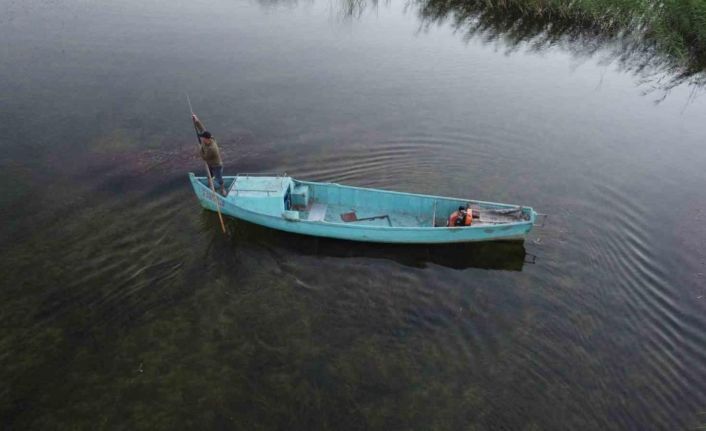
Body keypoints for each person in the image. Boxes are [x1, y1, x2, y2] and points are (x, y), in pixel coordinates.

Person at [192, 114, 225, 195]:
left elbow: (205, 157)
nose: (201, 138)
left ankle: (223, 189)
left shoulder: (212, 148)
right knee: (209, 175)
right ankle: (211, 186)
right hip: (210, 164)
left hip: (216, 165)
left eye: (202, 137)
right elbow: (202, 129)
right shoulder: (209, 138)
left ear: (207, 139)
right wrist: (196, 120)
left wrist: (200, 148)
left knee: (219, 179)